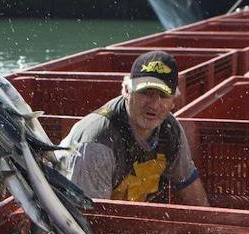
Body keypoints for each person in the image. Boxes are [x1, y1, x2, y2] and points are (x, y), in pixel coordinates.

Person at [63, 51, 209, 205]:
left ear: (173, 102)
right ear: (126, 90)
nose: (153, 104)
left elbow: (189, 184)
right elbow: (88, 217)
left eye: (163, 96)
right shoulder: (97, 143)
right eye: (145, 93)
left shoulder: (171, 130)